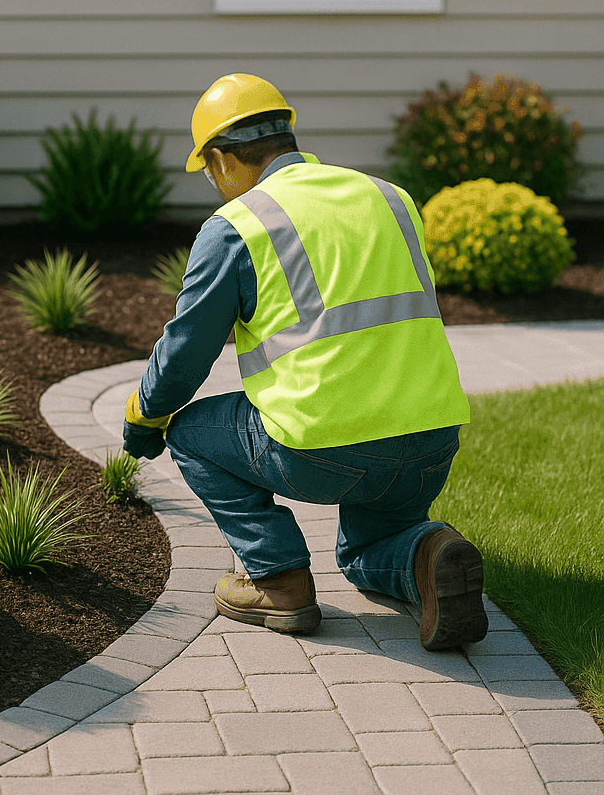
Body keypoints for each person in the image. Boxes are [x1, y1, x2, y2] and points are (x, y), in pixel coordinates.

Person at [122, 73, 486, 652]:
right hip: (431, 439)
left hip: (324, 450)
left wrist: (145, 415)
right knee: (365, 552)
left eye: (209, 171)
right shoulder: (390, 198)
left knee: (189, 433)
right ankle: (428, 552)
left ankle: (278, 581)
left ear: (221, 160)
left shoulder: (236, 228)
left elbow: (186, 352)